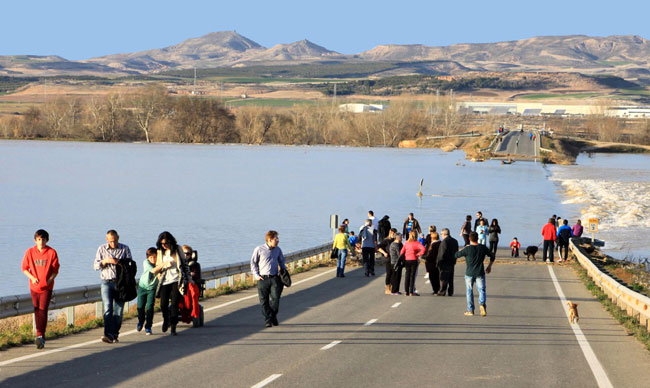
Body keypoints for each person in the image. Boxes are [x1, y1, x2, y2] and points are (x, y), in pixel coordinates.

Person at [22, 229, 60, 349]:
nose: (41, 242)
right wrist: (32, 278)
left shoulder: (51, 252)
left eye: (43, 239)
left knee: (43, 310)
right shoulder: (30, 252)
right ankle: (40, 336)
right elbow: (24, 268)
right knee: (37, 310)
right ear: (35, 240)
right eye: (39, 239)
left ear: (46, 240)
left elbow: (55, 270)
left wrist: (49, 280)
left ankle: (40, 336)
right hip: (34, 287)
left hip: (46, 288)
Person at [94, 229, 133, 343]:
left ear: (118, 238)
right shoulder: (101, 249)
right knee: (107, 308)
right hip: (106, 282)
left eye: (115, 240)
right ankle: (108, 334)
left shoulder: (125, 248)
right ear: (107, 240)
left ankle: (114, 333)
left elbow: (130, 264)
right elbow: (95, 266)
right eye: (111, 241)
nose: (113, 243)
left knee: (118, 311)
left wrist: (119, 262)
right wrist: (105, 261)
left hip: (120, 283)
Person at [156, 231, 190, 336]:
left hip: (177, 280)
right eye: (162, 244)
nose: (164, 245)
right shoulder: (160, 252)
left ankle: (173, 326)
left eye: (166, 243)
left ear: (170, 241)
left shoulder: (177, 249)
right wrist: (165, 265)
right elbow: (158, 266)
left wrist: (188, 279)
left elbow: (184, 264)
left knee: (175, 303)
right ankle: (166, 319)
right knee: (163, 304)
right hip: (165, 280)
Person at [251, 230, 287, 327]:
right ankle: (268, 320)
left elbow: (282, 262)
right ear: (270, 240)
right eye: (276, 239)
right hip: (262, 279)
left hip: (275, 278)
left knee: (276, 299)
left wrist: (284, 273)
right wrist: (256, 275)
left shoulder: (278, 250)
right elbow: (253, 263)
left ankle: (272, 316)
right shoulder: (259, 249)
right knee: (264, 301)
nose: (278, 240)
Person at [455, 232, 495, 316]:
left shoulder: (467, 249)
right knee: (482, 290)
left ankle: (471, 310)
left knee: (469, 291)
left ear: (469, 239)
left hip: (469, 273)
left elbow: (456, 255)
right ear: (477, 238)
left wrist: (463, 249)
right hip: (480, 272)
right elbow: (492, 256)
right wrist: (489, 266)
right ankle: (482, 304)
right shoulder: (483, 248)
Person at [136, 247, 162, 335]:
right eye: (151, 257)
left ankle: (148, 327)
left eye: (155, 257)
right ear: (148, 258)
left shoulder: (159, 264)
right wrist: (164, 264)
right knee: (140, 306)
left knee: (150, 307)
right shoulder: (146, 263)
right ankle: (140, 321)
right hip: (142, 287)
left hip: (152, 289)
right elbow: (154, 270)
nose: (153, 259)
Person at [400, 231, 426, 296]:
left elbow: (401, 252)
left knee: (407, 275)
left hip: (407, 260)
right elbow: (423, 249)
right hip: (414, 259)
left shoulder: (406, 243)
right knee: (412, 276)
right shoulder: (417, 243)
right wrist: (418, 254)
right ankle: (411, 291)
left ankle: (406, 291)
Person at [437, 228, 459, 296]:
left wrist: (439, 261)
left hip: (445, 261)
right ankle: (450, 291)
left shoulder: (444, 242)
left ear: (444, 234)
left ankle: (442, 291)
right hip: (452, 261)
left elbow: (442, 253)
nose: (441, 235)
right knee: (450, 277)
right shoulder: (455, 241)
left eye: (441, 234)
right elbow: (456, 251)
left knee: (444, 277)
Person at [377, 228, 397, 294]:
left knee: (394, 273)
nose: (394, 235)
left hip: (394, 259)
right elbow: (378, 247)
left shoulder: (394, 240)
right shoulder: (386, 240)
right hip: (388, 258)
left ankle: (392, 287)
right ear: (390, 232)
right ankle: (387, 287)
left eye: (395, 234)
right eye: (393, 233)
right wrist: (384, 253)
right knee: (389, 273)